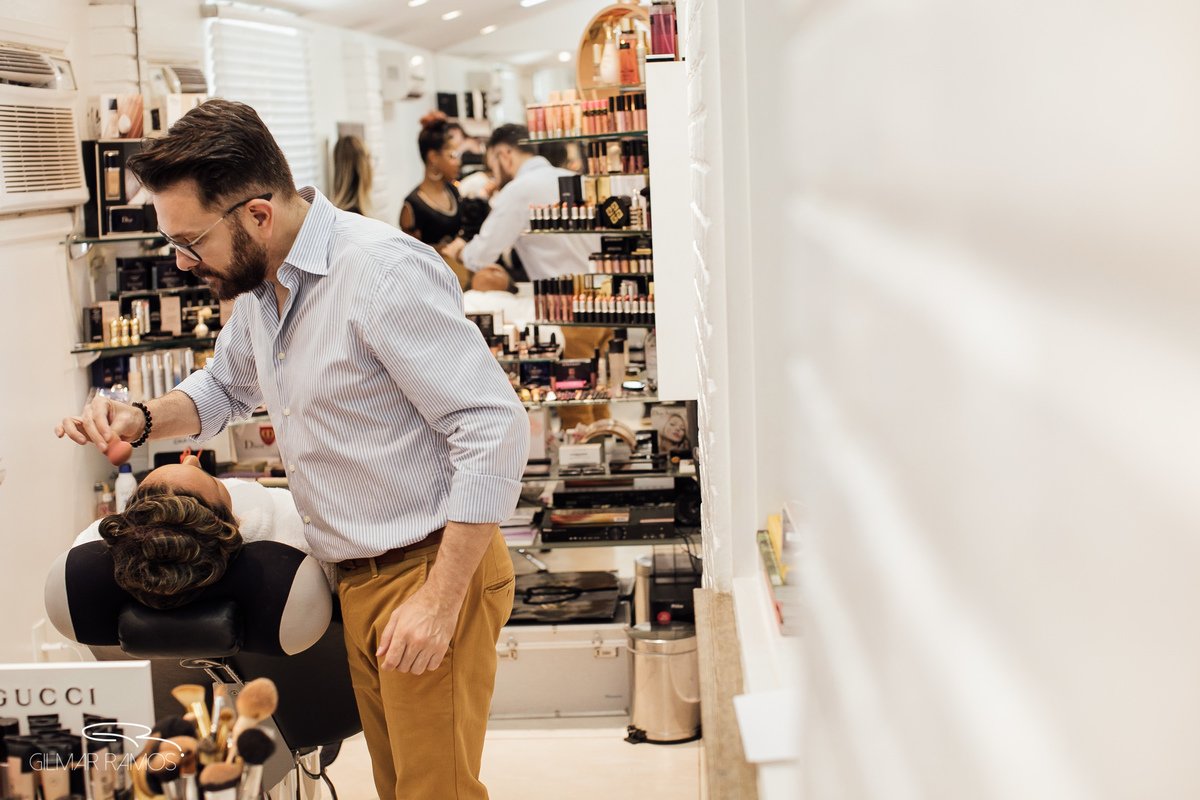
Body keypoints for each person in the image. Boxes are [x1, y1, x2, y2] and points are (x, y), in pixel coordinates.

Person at [55, 99, 528, 800]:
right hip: (359, 575)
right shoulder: (262, 289)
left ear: (256, 214)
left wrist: (439, 599)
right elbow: (223, 389)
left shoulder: (379, 272)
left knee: (437, 792)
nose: (184, 263)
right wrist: (142, 417)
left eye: (191, 242)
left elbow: (492, 425)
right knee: (402, 786)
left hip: (428, 566)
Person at [443, 124, 608, 426]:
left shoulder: (519, 190)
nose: (492, 173)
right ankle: (611, 460)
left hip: (569, 311)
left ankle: (585, 472)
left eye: (491, 163)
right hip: (604, 302)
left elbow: (482, 255)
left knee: (577, 413)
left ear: (504, 154)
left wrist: (458, 252)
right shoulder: (571, 178)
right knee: (600, 400)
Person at [72, 453, 329, 609]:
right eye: (213, 480)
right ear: (234, 521)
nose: (191, 458)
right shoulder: (299, 529)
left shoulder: (89, 561)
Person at [330, 135, 374, 216]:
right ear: (362, 170)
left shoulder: (339, 212)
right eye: (369, 159)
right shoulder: (355, 216)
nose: (372, 167)